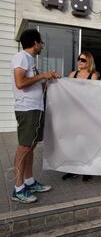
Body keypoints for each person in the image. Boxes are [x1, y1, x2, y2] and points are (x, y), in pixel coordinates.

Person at [10, 29, 60, 203]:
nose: (42, 46)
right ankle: (18, 189)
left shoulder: (30, 60)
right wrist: (43, 75)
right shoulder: (21, 57)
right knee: (24, 147)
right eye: (41, 43)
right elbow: (20, 83)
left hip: (36, 108)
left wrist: (45, 81)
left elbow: (31, 84)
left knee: (31, 147)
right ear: (35, 43)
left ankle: (29, 182)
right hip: (27, 109)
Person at [63, 52, 99, 182]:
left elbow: (94, 96)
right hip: (73, 113)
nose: (79, 61)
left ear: (88, 61)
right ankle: (72, 170)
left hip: (87, 114)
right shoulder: (73, 75)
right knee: (73, 142)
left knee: (86, 143)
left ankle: (87, 170)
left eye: (83, 60)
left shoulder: (93, 76)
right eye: (79, 59)